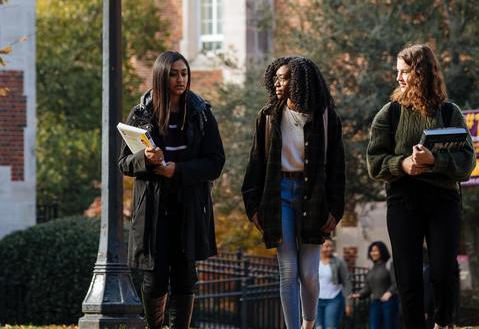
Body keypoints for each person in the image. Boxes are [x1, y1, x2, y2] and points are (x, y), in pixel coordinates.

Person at [367, 44, 476, 329]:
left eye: (405, 71)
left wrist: (434, 160)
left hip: (444, 199)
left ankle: (443, 322)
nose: (399, 78)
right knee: (408, 276)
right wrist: (402, 165)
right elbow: (374, 162)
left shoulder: (450, 112)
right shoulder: (388, 114)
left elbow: (467, 163)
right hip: (404, 199)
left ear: (422, 72)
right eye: (397, 72)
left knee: (443, 271)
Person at [119, 51, 225, 329]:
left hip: (189, 205)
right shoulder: (141, 113)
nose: (180, 79)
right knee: (154, 276)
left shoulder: (201, 113)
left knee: (185, 275)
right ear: (161, 76)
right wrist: (146, 159)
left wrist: (177, 170)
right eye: (174, 74)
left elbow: (215, 163)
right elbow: (124, 164)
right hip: (153, 208)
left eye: (184, 73)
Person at [242, 56, 346, 329]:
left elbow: (337, 167)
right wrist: (253, 207)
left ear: (300, 82)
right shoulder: (267, 117)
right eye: (275, 78)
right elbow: (255, 164)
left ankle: (308, 324)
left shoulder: (326, 118)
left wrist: (336, 210)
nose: (278, 83)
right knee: (288, 271)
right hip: (279, 195)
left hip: (314, 196)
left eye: (285, 78)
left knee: (309, 274)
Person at [351, 241, 400, 329]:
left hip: (389, 302)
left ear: (382, 251)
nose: (373, 253)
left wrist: (389, 293)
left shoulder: (389, 264)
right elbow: (368, 287)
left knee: (389, 326)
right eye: (371, 251)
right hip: (376, 302)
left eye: (376, 251)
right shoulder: (372, 267)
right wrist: (359, 294)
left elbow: (396, 282)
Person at [316, 238, 353, 329]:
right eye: (326, 246)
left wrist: (349, 303)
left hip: (334, 299)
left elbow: (346, 281)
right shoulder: (315, 261)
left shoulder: (339, 262)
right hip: (316, 300)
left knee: (331, 326)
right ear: (320, 247)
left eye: (331, 246)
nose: (329, 249)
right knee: (318, 327)